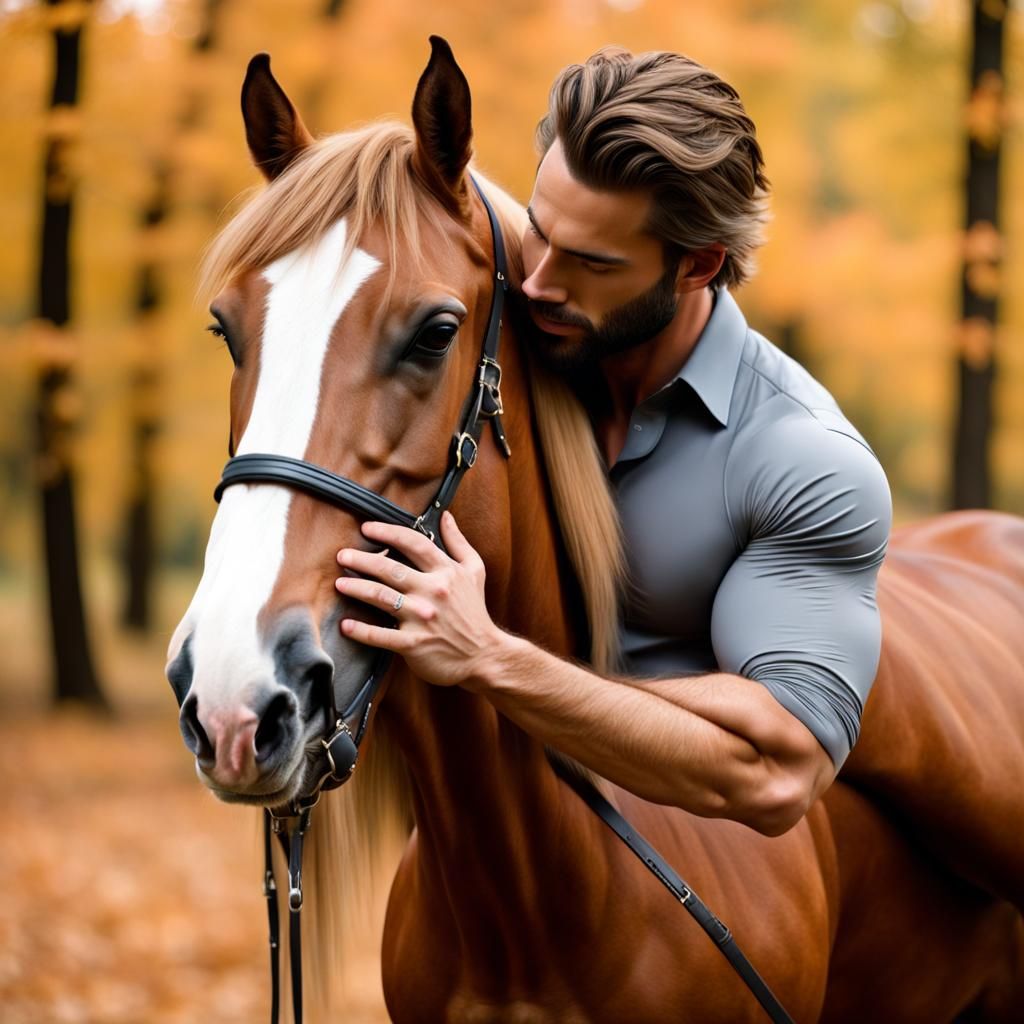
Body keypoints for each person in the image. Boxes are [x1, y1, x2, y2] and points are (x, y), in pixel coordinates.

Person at [334, 48, 892, 837]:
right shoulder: (488, 324)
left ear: (697, 266)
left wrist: (492, 658)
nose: (537, 282)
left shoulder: (804, 462)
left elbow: (776, 769)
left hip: (695, 879)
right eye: (538, 230)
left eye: (592, 262)